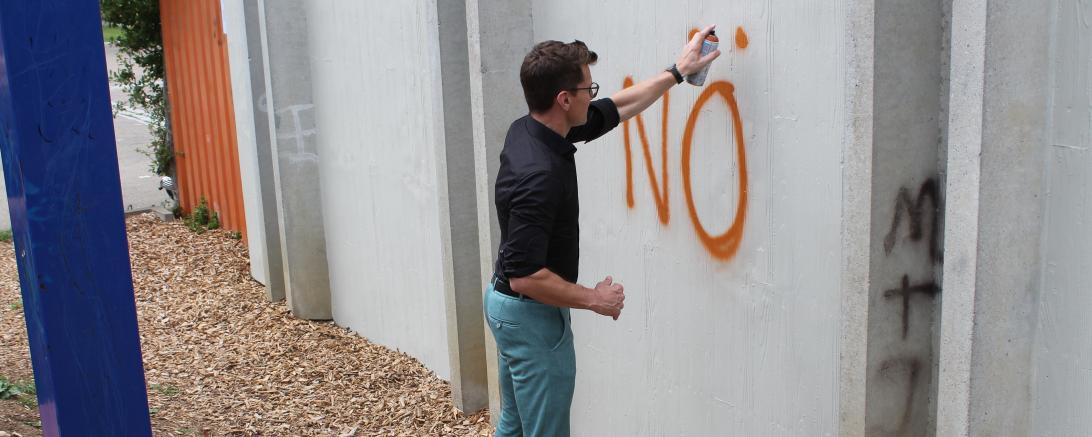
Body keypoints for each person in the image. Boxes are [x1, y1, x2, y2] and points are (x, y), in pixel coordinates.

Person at [484, 25, 721, 437]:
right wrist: (595, 298)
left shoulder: (532, 128)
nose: (594, 95)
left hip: (507, 307)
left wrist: (676, 72)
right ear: (564, 99)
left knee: (515, 424)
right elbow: (526, 275)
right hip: (530, 315)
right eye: (588, 89)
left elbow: (618, 107)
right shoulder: (539, 173)